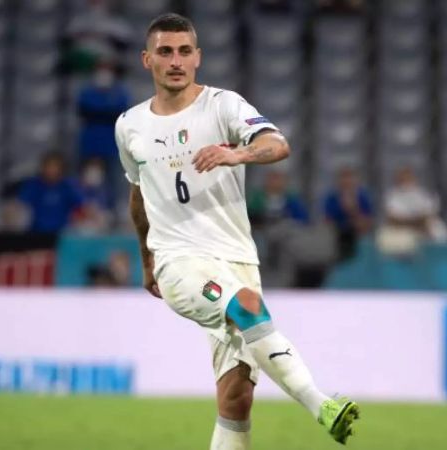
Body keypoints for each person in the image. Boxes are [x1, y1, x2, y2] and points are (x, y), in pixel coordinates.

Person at [115, 14, 359, 449]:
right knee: (246, 306)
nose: (176, 61)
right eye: (166, 52)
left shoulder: (223, 106)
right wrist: (148, 259)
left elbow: (278, 144)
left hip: (237, 258)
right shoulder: (130, 126)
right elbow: (139, 195)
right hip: (178, 260)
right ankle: (322, 405)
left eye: (185, 51)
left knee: (237, 396)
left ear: (198, 58)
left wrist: (238, 155)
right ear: (146, 59)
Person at [77, 60, 131, 194]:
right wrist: (107, 113)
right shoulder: (87, 91)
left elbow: (121, 113)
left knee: (114, 183)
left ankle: (113, 211)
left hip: (112, 145)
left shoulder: (120, 92)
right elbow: (83, 110)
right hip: (90, 145)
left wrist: (98, 113)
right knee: (89, 182)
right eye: (101, 68)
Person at [16, 152, 84, 233]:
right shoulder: (33, 184)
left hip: (62, 233)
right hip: (36, 231)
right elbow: (20, 205)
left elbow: (82, 205)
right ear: (43, 167)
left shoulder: (68, 186)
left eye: (55, 166)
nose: (51, 170)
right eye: (49, 166)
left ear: (61, 169)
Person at [323, 166, 374, 261]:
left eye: (349, 177)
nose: (346, 181)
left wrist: (353, 209)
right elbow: (328, 220)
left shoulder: (363, 196)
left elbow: (368, 222)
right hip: (338, 234)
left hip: (358, 234)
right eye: (343, 177)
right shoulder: (331, 197)